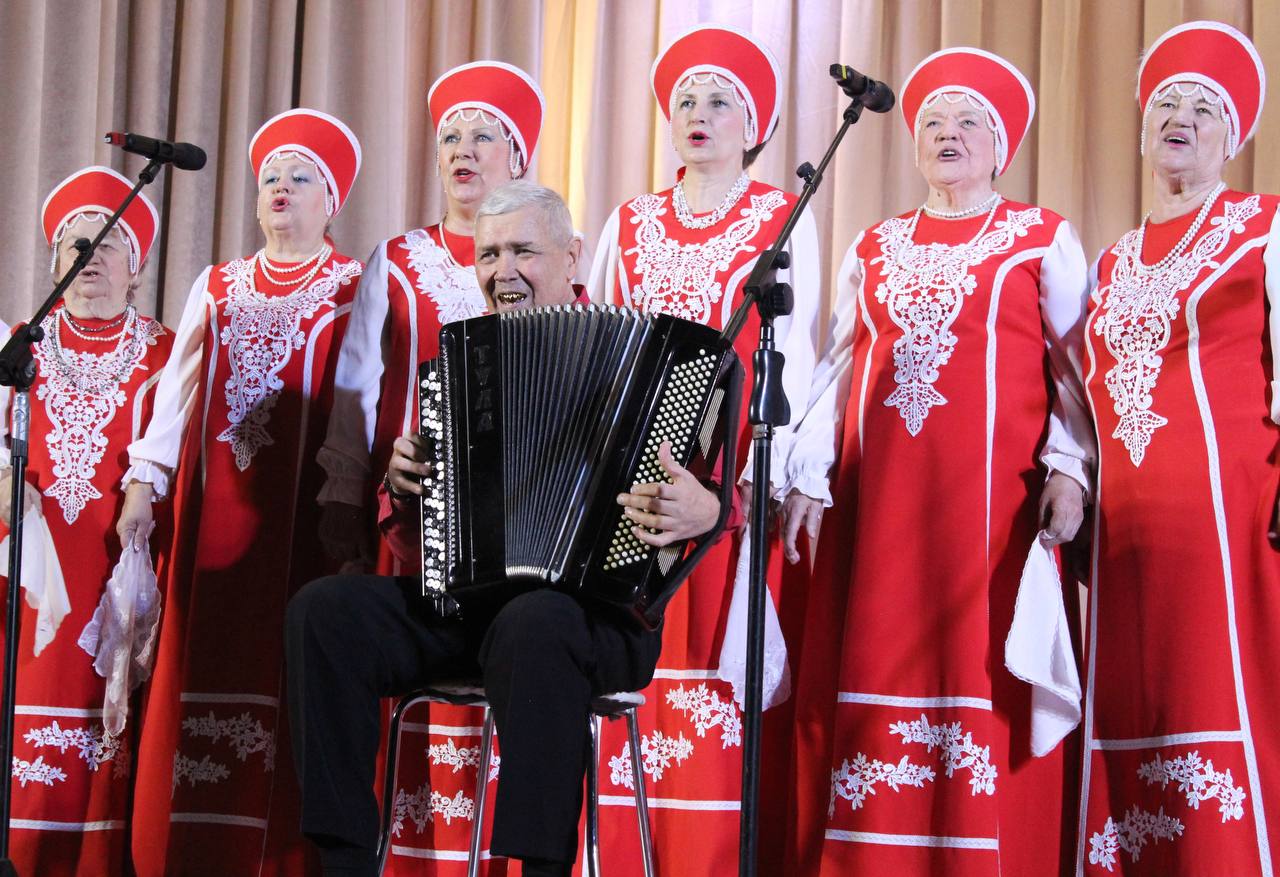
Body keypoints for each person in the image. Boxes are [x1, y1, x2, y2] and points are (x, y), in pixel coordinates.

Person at [285, 180, 726, 877]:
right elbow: (419, 545)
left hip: (599, 620)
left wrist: (708, 509)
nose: (503, 271)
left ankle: (539, 869)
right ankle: (343, 865)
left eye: (523, 250)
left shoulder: (651, 358)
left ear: (572, 257)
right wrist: (404, 489)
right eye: (489, 254)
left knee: (536, 620)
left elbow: (713, 492)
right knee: (324, 611)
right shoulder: (467, 366)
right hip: (473, 612)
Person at [788, 48, 1094, 875]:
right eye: (932, 122)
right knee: (873, 663)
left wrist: (1070, 467)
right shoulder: (876, 245)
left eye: (967, 122)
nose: (947, 134)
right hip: (879, 508)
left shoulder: (1040, 238)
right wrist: (809, 465)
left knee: (983, 676)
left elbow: (1077, 373)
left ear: (1000, 145)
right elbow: (839, 365)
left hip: (992, 517)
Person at [586, 24, 826, 871]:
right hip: (628, 489)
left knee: (713, 690)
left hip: (726, 490)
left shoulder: (781, 218)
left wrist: (755, 483)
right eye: (686, 99)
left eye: (720, 100)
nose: (698, 112)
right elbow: (599, 341)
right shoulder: (630, 221)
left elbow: (795, 355)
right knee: (624, 680)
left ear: (752, 124)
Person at [115, 108, 364, 875]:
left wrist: (348, 502)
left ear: (330, 200)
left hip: (303, 527)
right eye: (270, 178)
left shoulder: (354, 286)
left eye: (300, 177)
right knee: (201, 669)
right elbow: (177, 392)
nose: (280, 188)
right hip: (209, 529)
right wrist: (144, 483)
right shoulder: (218, 285)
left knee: (294, 674)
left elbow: (360, 401)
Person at [1078, 22, 1279, 875]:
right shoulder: (1112, 261)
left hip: (1234, 510)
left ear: (1233, 138)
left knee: (1227, 690)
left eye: (1204, 108)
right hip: (1125, 526)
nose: (1181, 119)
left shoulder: (1264, 226)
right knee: (1137, 701)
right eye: (1166, 103)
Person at [0, 167, 171, 876]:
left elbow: (171, 448)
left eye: (107, 246)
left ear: (136, 269)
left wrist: (145, 491)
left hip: (113, 559)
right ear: (54, 266)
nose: (89, 258)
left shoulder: (163, 350)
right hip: (27, 571)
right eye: (76, 246)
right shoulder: (20, 346)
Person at [317, 61, 544, 574]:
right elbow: (356, 387)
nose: (463, 150)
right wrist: (345, 493)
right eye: (450, 138)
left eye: (482, 136)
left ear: (516, 158)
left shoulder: (544, 256)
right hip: (409, 497)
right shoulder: (396, 259)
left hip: (520, 496)